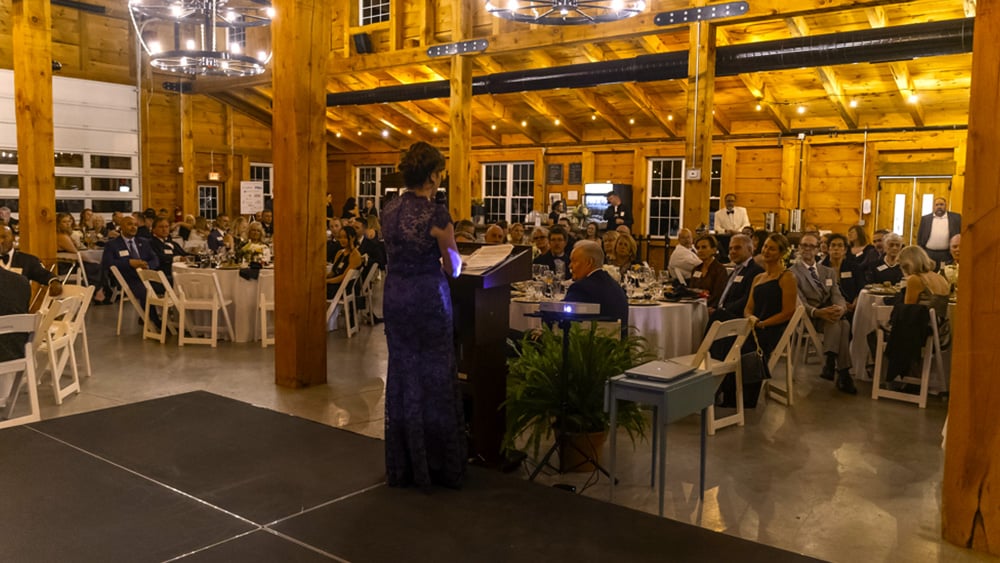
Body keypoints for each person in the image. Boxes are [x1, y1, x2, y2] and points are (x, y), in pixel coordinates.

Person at [381, 141, 465, 489]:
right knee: (434, 373)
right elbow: (453, 266)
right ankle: (435, 463)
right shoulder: (436, 214)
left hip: (395, 296)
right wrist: (456, 261)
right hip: (427, 299)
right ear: (432, 176)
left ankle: (405, 462)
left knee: (403, 371)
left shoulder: (388, 210)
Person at [791, 233, 855, 394]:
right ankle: (842, 371)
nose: (807, 249)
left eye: (811, 246)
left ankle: (833, 365)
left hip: (830, 315)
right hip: (810, 317)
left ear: (818, 249)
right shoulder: (792, 273)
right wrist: (818, 312)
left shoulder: (828, 271)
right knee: (842, 324)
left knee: (842, 322)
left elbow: (837, 294)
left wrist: (840, 308)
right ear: (799, 248)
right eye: (804, 245)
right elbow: (799, 302)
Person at [565, 241, 629, 334]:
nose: (570, 266)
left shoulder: (581, 288)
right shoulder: (614, 285)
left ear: (589, 262)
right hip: (617, 341)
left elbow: (562, 316)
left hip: (591, 341)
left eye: (574, 261)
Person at [102, 215, 159, 320]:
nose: (133, 227)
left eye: (136, 225)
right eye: (129, 224)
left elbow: (155, 259)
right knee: (146, 291)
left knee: (173, 284)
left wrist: (148, 265)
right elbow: (107, 263)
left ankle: (174, 319)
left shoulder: (144, 242)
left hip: (147, 275)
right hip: (128, 279)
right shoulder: (112, 244)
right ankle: (153, 321)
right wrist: (128, 263)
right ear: (121, 227)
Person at [709, 234, 763, 319]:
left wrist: (723, 309)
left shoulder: (756, 271)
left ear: (749, 249)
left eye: (737, 248)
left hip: (737, 318)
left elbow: (747, 299)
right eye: (730, 248)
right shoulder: (734, 271)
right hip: (722, 313)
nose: (733, 251)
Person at [0, 225, 63, 297]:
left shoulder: (27, 260)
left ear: (13, 238)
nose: (1, 241)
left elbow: (43, 274)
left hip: (17, 302)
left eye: (4, 237)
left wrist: (54, 281)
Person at [822, 233, 864, 313]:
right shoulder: (821, 268)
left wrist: (856, 300)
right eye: (833, 245)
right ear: (828, 249)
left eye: (840, 245)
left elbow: (861, 287)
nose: (836, 248)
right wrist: (841, 304)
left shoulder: (854, 267)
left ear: (845, 250)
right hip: (830, 308)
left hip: (853, 307)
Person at [917, 196, 961, 266]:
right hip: (929, 254)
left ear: (946, 206)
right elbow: (920, 236)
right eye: (937, 205)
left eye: (941, 204)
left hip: (946, 255)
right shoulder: (925, 219)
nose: (939, 207)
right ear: (933, 207)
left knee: (944, 271)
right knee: (929, 271)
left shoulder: (955, 218)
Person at [689, 234, 728, 309]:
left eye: (704, 247)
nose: (700, 251)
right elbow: (691, 292)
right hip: (693, 306)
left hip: (711, 308)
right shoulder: (696, 269)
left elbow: (718, 295)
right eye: (698, 248)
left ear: (714, 250)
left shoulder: (720, 270)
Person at [326, 225, 363, 299]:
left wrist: (327, 281)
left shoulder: (355, 255)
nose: (342, 240)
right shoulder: (339, 253)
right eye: (340, 237)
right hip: (335, 283)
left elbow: (343, 277)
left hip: (344, 288)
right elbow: (333, 272)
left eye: (345, 237)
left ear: (352, 238)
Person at [149, 217, 187, 284]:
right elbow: (159, 258)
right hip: (162, 275)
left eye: (166, 227)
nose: (164, 229)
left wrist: (198, 257)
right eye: (161, 227)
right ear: (153, 229)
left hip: (179, 272)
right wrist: (177, 258)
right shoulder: (151, 243)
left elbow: (185, 254)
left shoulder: (173, 243)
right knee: (187, 279)